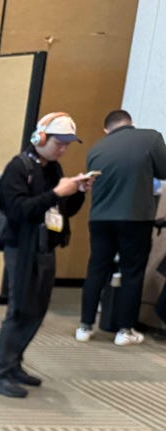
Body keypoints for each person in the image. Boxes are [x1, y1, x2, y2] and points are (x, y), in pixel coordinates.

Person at [0, 112, 92, 398]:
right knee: (19, 310)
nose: (63, 149)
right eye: (59, 142)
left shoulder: (52, 167)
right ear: (40, 138)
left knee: (37, 309)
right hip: (21, 248)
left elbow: (61, 212)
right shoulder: (18, 167)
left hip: (45, 248)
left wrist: (77, 192)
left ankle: (13, 363)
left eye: (68, 144)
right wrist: (57, 193)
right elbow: (19, 211)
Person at [76, 109, 166, 346]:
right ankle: (124, 331)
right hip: (135, 218)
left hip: (99, 219)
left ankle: (84, 326)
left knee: (97, 269)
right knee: (132, 273)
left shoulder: (96, 149)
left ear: (107, 130)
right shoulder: (151, 138)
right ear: (131, 123)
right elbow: (164, 170)